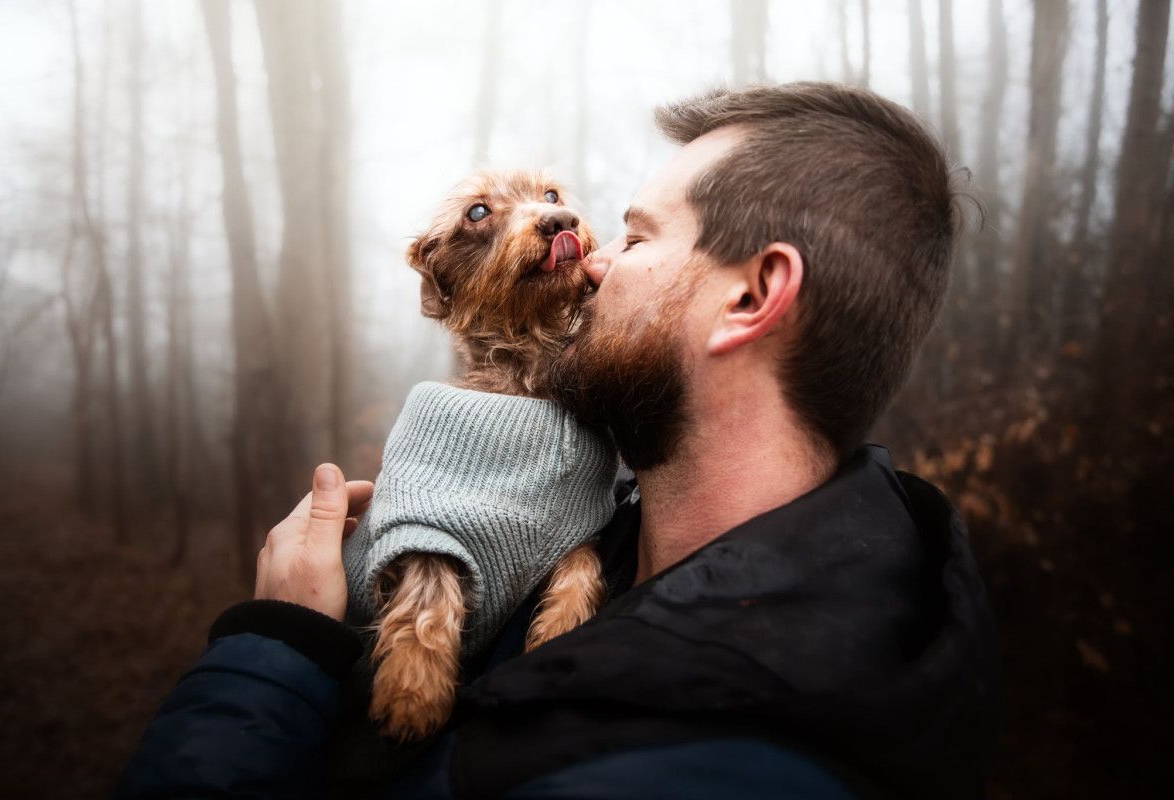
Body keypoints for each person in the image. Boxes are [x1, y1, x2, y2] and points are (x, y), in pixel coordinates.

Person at [115, 83, 998, 799]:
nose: (593, 255)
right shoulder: (617, 536)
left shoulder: (710, 764)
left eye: (639, 237)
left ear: (752, 296)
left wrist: (275, 654)